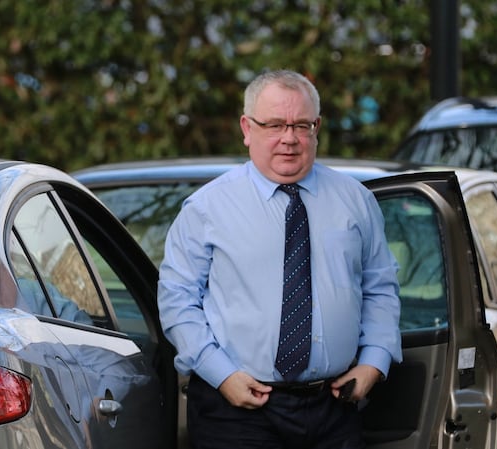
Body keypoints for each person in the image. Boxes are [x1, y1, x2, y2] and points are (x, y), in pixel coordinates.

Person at [157, 69, 402, 449]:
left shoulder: (355, 201)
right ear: (247, 128)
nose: (289, 138)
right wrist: (221, 375)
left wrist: (374, 362)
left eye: (301, 125)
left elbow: (380, 288)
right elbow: (177, 300)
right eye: (274, 125)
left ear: (316, 128)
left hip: (335, 408)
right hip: (235, 409)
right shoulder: (207, 208)